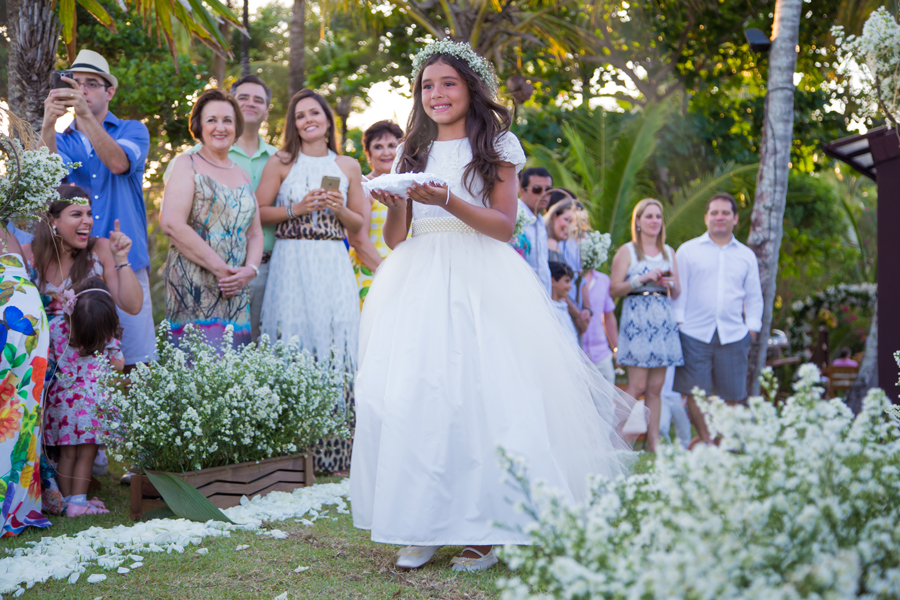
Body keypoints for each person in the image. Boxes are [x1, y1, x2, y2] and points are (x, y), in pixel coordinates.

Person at [350, 40, 640, 573]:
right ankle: (422, 522)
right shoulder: (411, 151)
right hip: (419, 278)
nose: (436, 94)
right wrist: (394, 204)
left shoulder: (498, 145)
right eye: (427, 86)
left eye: (447, 83)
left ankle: (485, 530)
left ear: (469, 88)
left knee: (481, 396)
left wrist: (450, 201)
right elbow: (397, 238)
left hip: (482, 276)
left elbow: (504, 228)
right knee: (419, 396)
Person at [256, 90, 365, 473]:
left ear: (327, 120)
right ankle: (291, 454)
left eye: (314, 113)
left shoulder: (347, 165)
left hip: (332, 258)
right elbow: (258, 211)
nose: (307, 120)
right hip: (291, 259)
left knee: (336, 342)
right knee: (294, 340)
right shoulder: (281, 162)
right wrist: (295, 208)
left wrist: (341, 209)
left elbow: (360, 224)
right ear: (293, 124)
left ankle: (338, 455)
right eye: (300, 115)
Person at [40, 49, 155, 367]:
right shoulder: (61, 141)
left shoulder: (133, 130)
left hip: (125, 262)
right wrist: (49, 123)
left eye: (91, 83)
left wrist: (85, 117)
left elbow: (118, 163)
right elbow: (43, 178)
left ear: (110, 91)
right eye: (75, 83)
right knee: (77, 363)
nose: (82, 90)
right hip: (75, 267)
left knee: (135, 363)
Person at [164, 75, 279, 342]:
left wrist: (249, 270)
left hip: (236, 289)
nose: (220, 127)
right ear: (199, 126)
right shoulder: (186, 164)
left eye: (227, 120)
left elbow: (255, 233)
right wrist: (223, 271)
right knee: (199, 367)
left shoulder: (241, 174)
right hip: (194, 285)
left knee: (235, 366)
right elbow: (171, 223)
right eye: (212, 120)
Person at [671, 193, 762, 444]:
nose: (719, 217)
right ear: (706, 218)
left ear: (734, 218)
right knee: (694, 393)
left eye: (725, 213)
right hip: (693, 333)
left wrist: (751, 330)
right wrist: (679, 324)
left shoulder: (746, 256)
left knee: (731, 395)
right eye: (714, 213)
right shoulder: (688, 251)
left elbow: (754, 297)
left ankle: (722, 443)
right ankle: (707, 441)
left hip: (734, 334)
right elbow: (680, 291)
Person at [43, 277, 123, 517]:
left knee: (67, 453)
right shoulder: (106, 335)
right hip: (90, 404)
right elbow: (119, 365)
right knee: (86, 453)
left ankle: (66, 501)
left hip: (60, 403)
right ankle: (79, 502)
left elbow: (49, 359)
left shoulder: (56, 327)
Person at [610, 198, 683, 453]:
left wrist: (670, 283)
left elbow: (677, 293)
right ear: (638, 221)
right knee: (637, 386)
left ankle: (653, 444)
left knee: (655, 388)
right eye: (649, 216)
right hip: (638, 322)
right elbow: (614, 289)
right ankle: (614, 436)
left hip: (662, 323)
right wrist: (642, 278)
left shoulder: (668, 252)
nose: (654, 221)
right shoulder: (627, 251)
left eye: (658, 217)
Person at [27, 185, 143, 323]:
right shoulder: (26, 254)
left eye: (89, 214)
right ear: (53, 220)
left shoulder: (100, 249)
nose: (87, 221)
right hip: (41, 344)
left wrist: (121, 258)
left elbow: (133, 307)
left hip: (91, 344)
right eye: (77, 214)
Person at [0, 229, 51, 536]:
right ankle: (15, 505)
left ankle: (15, 504)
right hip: (24, 314)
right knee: (20, 413)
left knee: (22, 414)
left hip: (23, 322)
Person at [348, 120, 403, 308]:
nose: (386, 152)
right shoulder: (364, 187)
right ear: (369, 154)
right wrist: (388, 275)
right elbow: (358, 240)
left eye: (392, 146)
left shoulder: (409, 185)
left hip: (406, 276)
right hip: (373, 274)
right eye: (378, 147)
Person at [545, 197, 590, 335]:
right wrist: (577, 314)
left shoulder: (566, 246)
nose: (570, 226)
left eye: (574, 223)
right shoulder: (550, 245)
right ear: (554, 216)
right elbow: (556, 284)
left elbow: (580, 280)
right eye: (567, 219)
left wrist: (586, 311)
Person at [512, 167, 553, 294]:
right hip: (522, 293)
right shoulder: (515, 216)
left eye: (548, 190)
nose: (544, 195)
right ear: (521, 191)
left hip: (542, 297)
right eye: (537, 189)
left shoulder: (541, 221)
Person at [580, 267, 619, 384]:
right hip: (577, 353)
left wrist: (616, 348)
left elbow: (608, 317)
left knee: (607, 400)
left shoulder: (603, 280)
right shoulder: (568, 278)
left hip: (601, 353)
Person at [549, 261, 579, 344]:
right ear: (553, 281)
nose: (570, 286)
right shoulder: (550, 310)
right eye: (566, 281)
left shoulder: (563, 307)